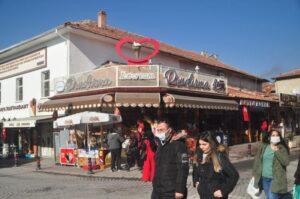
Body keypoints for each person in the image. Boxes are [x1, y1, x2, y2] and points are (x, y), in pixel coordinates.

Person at [192, 131, 239, 199]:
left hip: (216, 196)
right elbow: (195, 169)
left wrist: (223, 191)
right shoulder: (199, 154)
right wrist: (196, 181)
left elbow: (234, 175)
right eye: (200, 144)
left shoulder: (219, 156)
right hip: (203, 195)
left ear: (211, 143)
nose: (201, 147)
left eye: (204, 144)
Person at [151, 120, 189, 199]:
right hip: (157, 190)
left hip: (172, 192)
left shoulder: (179, 145)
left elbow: (183, 168)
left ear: (170, 130)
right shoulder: (160, 146)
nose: (159, 132)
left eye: (162, 130)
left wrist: (180, 189)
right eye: (157, 130)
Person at [252, 129, 290, 199]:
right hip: (265, 179)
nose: (275, 137)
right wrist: (254, 174)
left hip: (276, 179)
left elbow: (286, 162)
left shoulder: (282, 148)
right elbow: (257, 161)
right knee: (268, 197)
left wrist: (277, 151)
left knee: (272, 197)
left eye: (277, 135)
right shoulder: (264, 147)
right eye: (273, 135)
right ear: (269, 137)